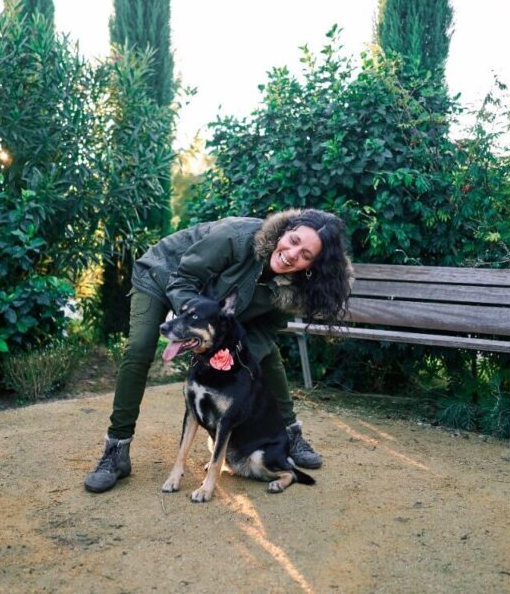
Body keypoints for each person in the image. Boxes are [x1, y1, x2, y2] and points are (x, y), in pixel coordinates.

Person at [84, 208, 353, 493]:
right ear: (285, 230)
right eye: (294, 240)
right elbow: (183, 278)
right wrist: (200, 331)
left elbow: (266, 330)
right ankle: (116, 449)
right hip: (163, 274)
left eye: (306, 255)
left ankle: (289, 435)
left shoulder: (298, 287)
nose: (292, 254)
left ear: (312, 267)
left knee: (266, 354)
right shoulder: (236, 237)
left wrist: (233, 352)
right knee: (139, 350)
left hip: (209, 307)